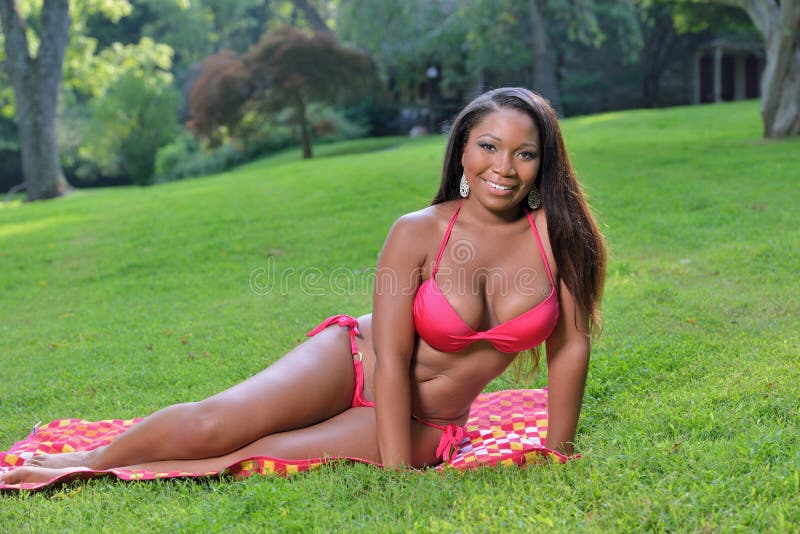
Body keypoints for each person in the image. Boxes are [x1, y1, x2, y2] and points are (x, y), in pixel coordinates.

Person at [0, 87, 606, 485]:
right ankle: (86, 460)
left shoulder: (560, 237)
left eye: (524, 154)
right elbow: (392, 356)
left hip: (432, 421)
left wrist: (559, 449)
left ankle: (100, 471)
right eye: (489, 146)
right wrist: (397, 474)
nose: (504, 167)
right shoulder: (419, 232)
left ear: (543, 163)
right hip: (357, 362)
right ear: (463, 150)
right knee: (215, 426)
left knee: (257, 453)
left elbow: (570, 346)